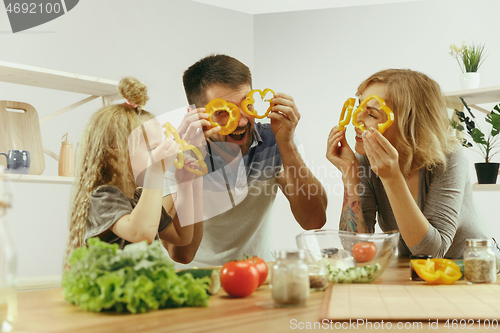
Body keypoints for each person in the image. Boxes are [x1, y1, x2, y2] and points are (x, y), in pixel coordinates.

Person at [162, 54, 328, 267]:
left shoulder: (277, 139)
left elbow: (314, 221)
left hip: (259, 273)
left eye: (246, 105)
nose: (240, 121)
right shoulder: (174, 154)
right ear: (195, 114)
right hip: (196, 277)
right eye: (223, 112)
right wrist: (191, 162)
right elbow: (181, 254)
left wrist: (286, 143)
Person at [326, 68, 492, 259]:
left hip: (473, 269)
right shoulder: (366, 161)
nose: (357, 120)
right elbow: (355, 247)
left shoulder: (448, 159)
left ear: (410, 124)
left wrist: (391, 178)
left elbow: (432, 251)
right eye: (359, 108)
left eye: (371, 115)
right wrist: (349, 176)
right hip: (417, 272)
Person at [64, 77, 197, 269]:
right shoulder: (103, 197)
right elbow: (140, 233)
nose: (161, 153)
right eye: (152, 148)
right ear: (115, 154)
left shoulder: (139, 197)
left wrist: (184, 185)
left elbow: (181, 237)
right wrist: (156, 171)